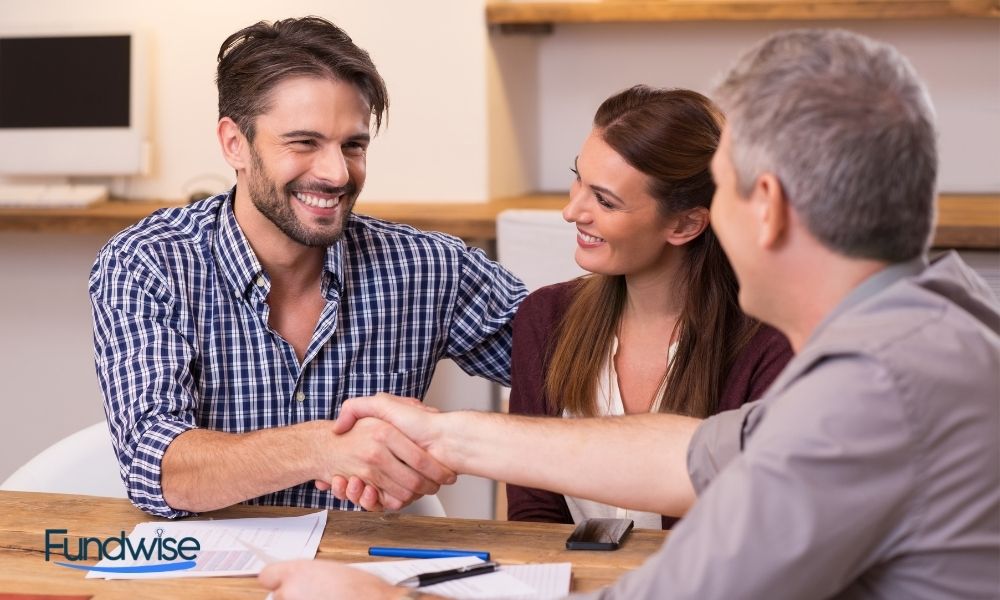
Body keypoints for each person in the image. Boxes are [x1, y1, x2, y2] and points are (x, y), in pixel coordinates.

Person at [263, 28, 1000, 599]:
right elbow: (688, 454)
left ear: (765, 206)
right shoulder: (935, 330)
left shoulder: (872, 395)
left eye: (721, 185)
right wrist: (445, 435)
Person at [88, 16, 526, 519]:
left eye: (353, 145)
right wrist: (326, 447)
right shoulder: (148, 263)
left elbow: (577, 366)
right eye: (304, 143)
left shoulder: (428, 268)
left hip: (359, 581)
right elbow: (157, 468)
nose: (337, 173)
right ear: (235, 143)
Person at [507, 86, 792, 530]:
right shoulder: (545, 319)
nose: (571, 210)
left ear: (685, 223)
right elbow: (534, 516)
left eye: (605, 200)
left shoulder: (770, 345)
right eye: (578, 177)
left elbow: (754, 530)